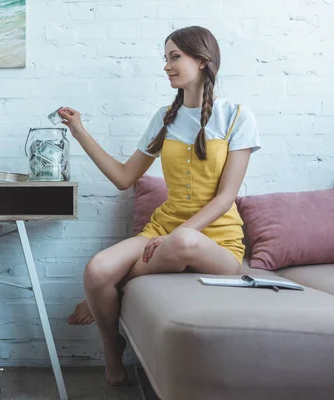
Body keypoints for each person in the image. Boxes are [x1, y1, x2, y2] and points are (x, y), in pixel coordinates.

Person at [59, 26, 261, 385]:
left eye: (174, 57)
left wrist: (179, 235)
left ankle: (109, 295)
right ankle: (112, 350)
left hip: (216, 244)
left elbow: (226, 196)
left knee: (181, 243)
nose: (166, 66)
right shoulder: (164, 117)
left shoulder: (237, 116)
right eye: (165, 58)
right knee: (96, 270)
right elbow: (124, 177)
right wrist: (81, 133)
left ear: (202, 61)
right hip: (162, 230)